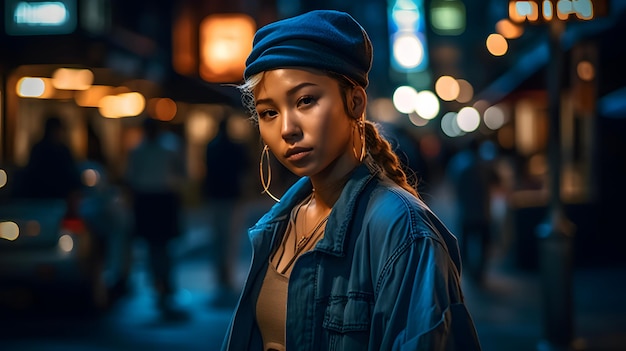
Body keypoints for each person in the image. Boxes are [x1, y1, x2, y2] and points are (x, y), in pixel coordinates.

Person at [221, 10, 481, 351]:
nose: (287, 129)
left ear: (355, 101)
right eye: (269, 112)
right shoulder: (280, 223)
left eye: (305, 101)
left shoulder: (402, 229)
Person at [124, 117, 186, 318]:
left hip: (150, 199)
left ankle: (161, 284)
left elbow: (131, 178)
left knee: (155, 246)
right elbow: (181, 172)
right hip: (162, 198)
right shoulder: (169, 146)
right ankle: (164, 284)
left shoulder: (139, 150)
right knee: (162, 246)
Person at [203, 117, 249, 293]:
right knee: (230, 236)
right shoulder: (236, 147)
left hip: (215, 195)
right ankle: (227, 273)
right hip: (232, 195)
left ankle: (220, 273)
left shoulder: (211, 146)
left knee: (218, 236)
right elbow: (244, 171)